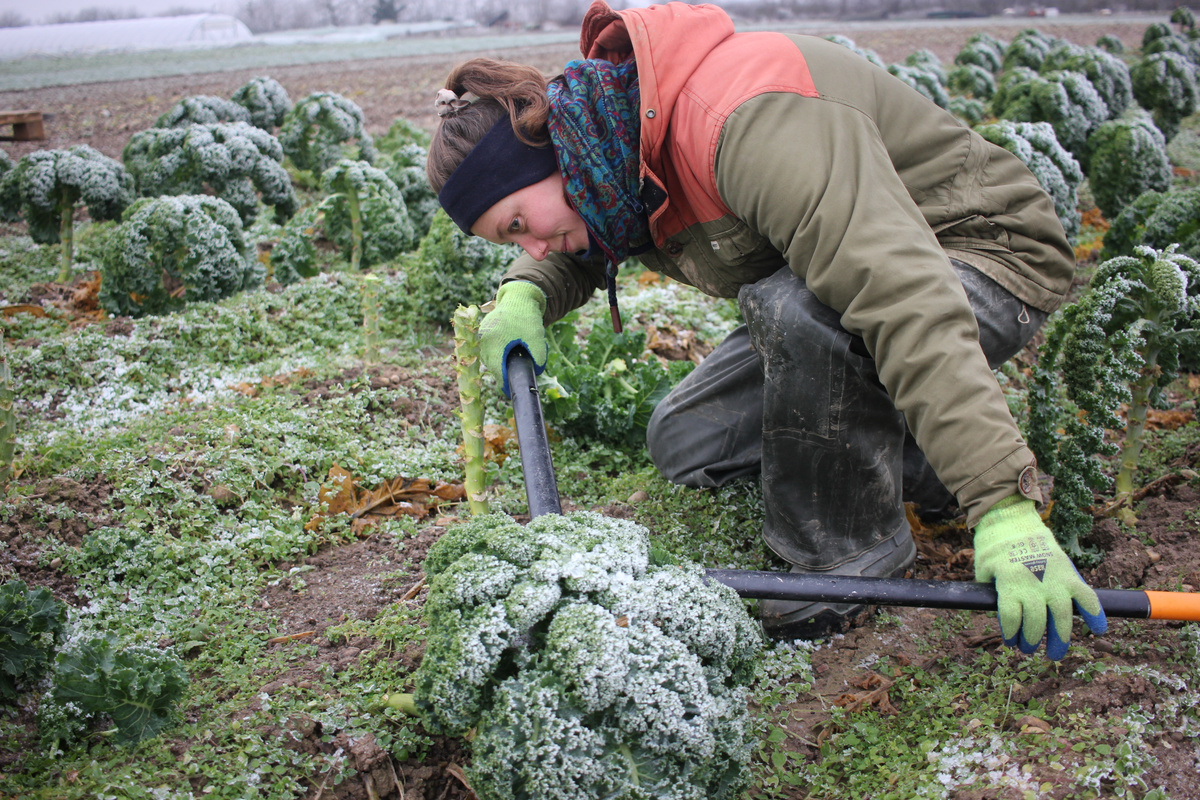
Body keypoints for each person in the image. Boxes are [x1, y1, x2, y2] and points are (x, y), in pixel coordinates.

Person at [426, 0, 1107, 658]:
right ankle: (929, 462)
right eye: (509, 242)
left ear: (555, 156)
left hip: (980, 255)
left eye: (519, 225)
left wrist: (1001, 506)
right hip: (848, 280)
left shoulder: (741, 123)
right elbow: (574, 234)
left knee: (791, 311)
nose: (532, 246)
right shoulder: (611, 152)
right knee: (690, 440)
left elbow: (903, 296)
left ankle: (852, 557)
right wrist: (525, 290)